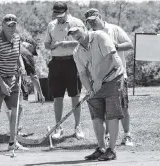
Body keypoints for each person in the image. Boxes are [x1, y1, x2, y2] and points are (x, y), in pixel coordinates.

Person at [68, 26, 124, 161]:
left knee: (112, 115)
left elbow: (109, 58)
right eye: (72, 34)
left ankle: (112, 150)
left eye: (77, 31)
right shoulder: (77, 51)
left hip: (113, 78)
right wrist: (89, 89)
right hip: (95, 84)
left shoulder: (100, 36)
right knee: (96, 116)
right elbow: (82, 73)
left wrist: (98, 80)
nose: (75, 35)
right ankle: (101, 148)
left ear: (83, 28)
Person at [84, 8, 134, 146]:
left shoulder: (114, 29)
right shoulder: (90, 35)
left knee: (123, 106)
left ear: (100, 17)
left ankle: (127, 135)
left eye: (94, 20)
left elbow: (130, 44)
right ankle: (106, 137)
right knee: (104, 108)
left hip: (118, 75)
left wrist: (115, 46)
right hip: (100, 79)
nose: (92, 24)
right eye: (89, 22)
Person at [0, 14, 29, 153]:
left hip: (12, 77)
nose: (11, 27)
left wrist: (21, 66)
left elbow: (17, 56)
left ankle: (12, 142)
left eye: (13, 25)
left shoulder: (16, 38)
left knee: (16, 110)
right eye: (8, 25)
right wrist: (2, 85)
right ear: (3, 25)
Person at [44, 1, 85, 140]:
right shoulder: (51, 25)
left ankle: (78, 126)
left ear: (67, 11)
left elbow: (83, 40)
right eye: (56, 14)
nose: (58, 17)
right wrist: (52, 45)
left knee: (75, 96)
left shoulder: (76, 23)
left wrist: (63, 43)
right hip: (56, 63)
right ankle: (58, 126)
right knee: (57, 98)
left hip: (72, 62)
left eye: (60, 15)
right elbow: (46, 44)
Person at [3, 38, 45, 136]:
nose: (32, 53)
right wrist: (41, 94)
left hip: (0, 80)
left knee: (9, 106)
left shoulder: (12, 47)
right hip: (13, 81)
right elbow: (34, 77)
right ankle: (14, 132)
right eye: (33, 50)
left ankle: (14, 129)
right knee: (18, 106)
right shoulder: (27, 54)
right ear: (30, 46)